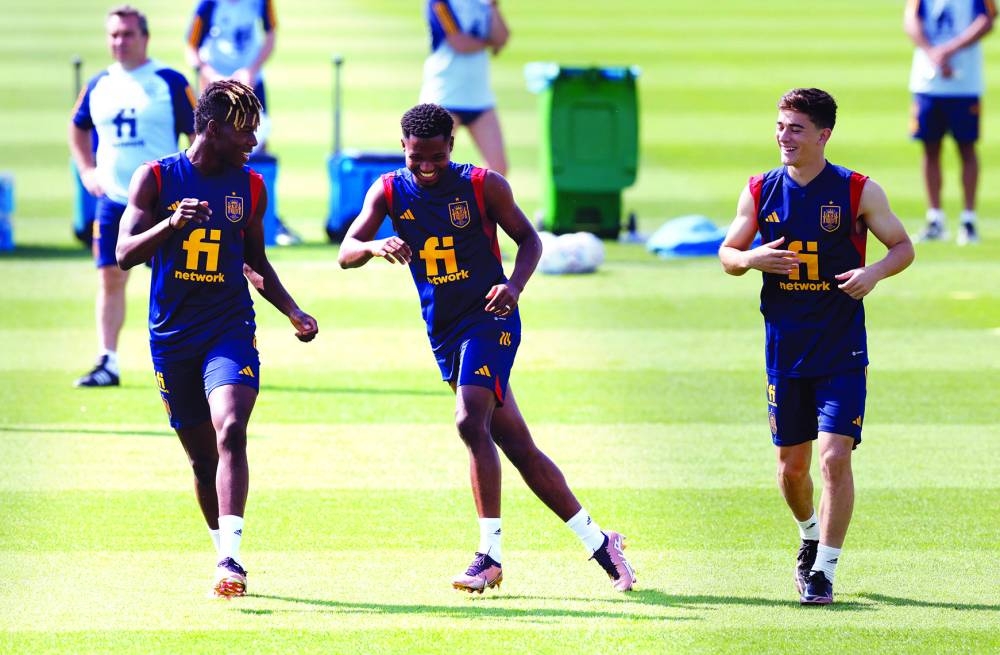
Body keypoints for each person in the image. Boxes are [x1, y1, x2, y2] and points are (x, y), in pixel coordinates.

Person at [338, 103, 635, 594]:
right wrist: (373, 247)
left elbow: (530, 241)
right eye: (416, 158)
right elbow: (346, 250)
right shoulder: (388, 189)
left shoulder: (483, 185)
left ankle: (489, 555)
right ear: (404, 149)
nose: (426, 167)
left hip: (492, 318)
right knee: (517, 445)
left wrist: (515, 287)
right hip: (444, 329)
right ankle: (602, 543)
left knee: (468, 420)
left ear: (451, 147)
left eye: (435, 156)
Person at [116, 79, 318, 597]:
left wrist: (293, 311)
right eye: (245, 130)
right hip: (171, 337)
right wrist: (170, 225)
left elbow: (256, 260)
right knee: (202, 459)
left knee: (230, 428)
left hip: (229, 327)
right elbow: (125, 253)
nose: (254, 140)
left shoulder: (250, 187)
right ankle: (221, 550)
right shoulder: (156, 178)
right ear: (212, 129)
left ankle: (231, 560)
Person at [719, 88, 914, 605]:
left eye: (796, 128)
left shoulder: (857, 191)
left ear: (823, 135)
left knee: (834, 458)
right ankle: (808, 535)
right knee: (792, 468)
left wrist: (872, 273)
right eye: (781, 126)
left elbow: (903, 246)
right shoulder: (760, 189)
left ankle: (824, 568)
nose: (784, 136)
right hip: (785, 352)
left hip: (842, 350)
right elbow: (727, 253)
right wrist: (752, 259)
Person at [69, 5, 196, 387]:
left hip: (164, 202)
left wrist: (192, 183)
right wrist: (87, 171)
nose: (119, 42)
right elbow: (77, 127)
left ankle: (188, 357)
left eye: (127, 34)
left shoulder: (168, 81)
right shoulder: (98, 84)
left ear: (145, 37)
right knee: (109, 277)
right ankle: (107, 360)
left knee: (178, 279)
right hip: (114, 200)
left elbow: (198, 136)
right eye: (113, 35)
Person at [185, 0, 301, 245]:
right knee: (209, 146)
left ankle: (266, 217)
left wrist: (252, 68)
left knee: (257, 145)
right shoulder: (208, 4)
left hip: (250, 83)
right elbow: (191, 47)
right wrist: (212, 75)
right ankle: (203, 209)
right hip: (214, 86)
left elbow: (270, 35)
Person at [905, 0, 995, 244]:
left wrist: (950, 49)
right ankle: (935, 219)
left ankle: (968, 220)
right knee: (929, 148)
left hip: (964, 83)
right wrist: (932, 51)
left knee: (966, 148)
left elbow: (987, 19)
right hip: (927, 82)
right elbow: (911, 21)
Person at [419, 0, 510, 175]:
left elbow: (502, 37)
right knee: (432, 167)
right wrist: (490, 42)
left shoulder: (483, 3)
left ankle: (477, 202)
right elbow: (458, 42)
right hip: (444, 96)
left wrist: (493, 6)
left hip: (479, 98)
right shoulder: (439, 2)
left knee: (498, 169)